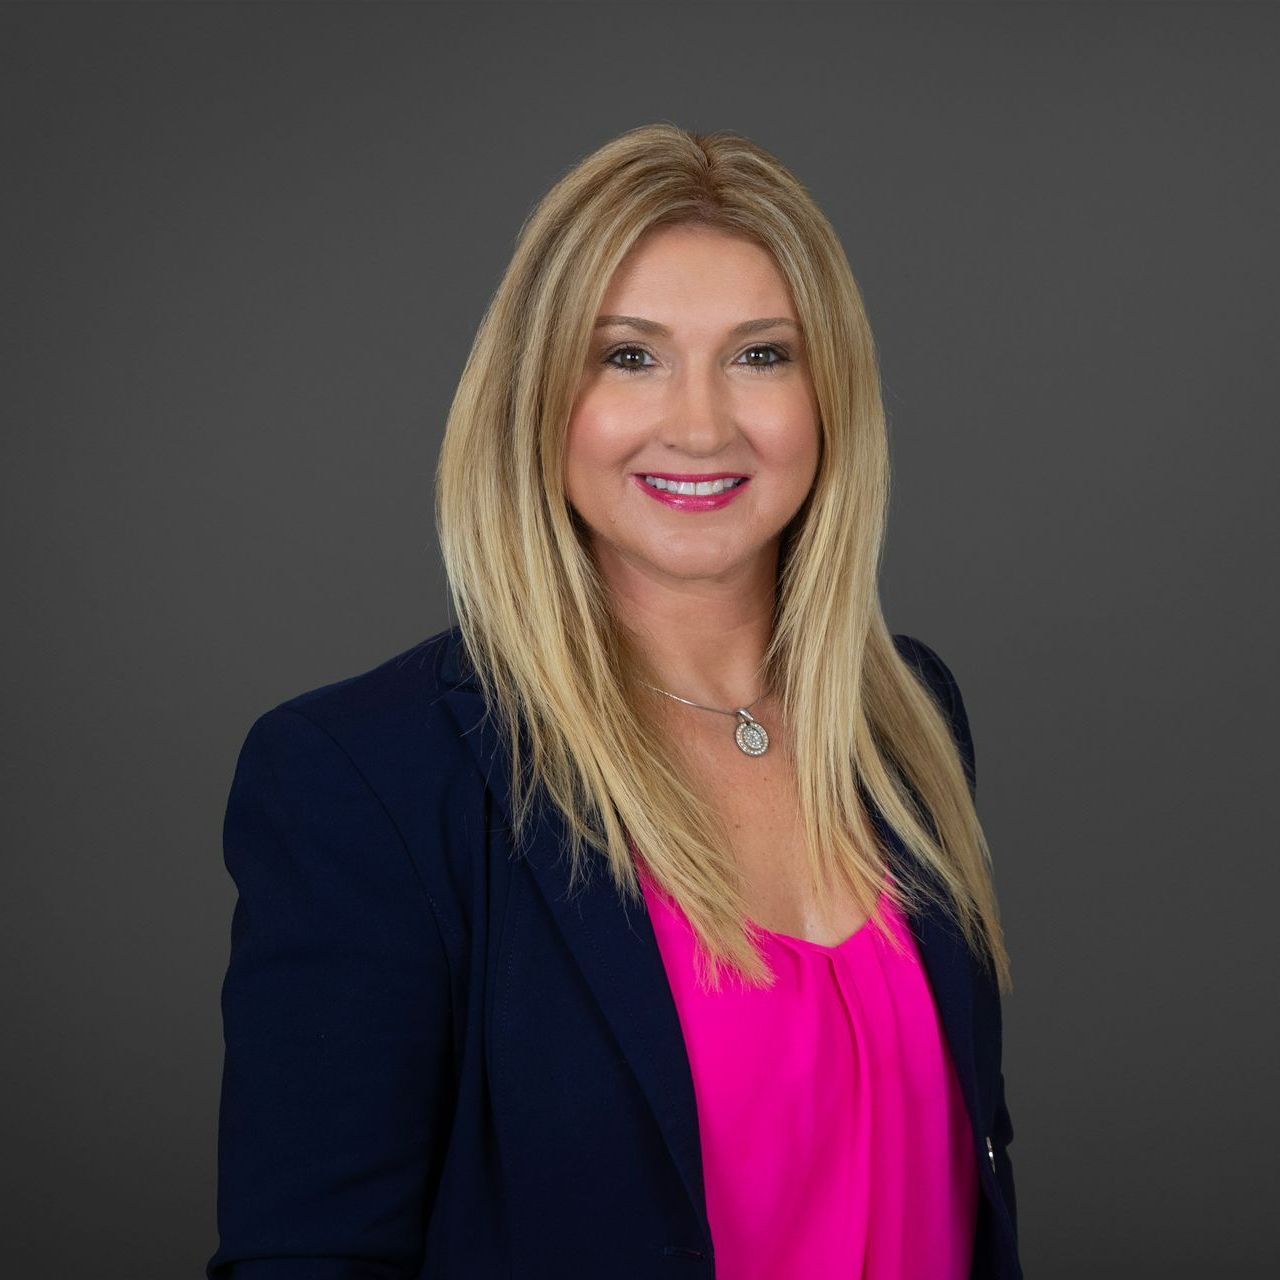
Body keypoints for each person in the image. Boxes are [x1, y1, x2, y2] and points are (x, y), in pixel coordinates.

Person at [206, 122, 1022, 1279]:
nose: (699, 423)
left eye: (760, 355)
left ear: (829, 393)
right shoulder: (368, 778)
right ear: (540, 396)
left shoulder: (904, 723)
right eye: (628, 356)